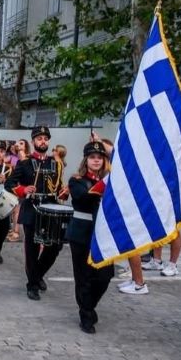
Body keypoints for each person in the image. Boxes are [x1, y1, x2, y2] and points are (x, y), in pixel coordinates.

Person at [5, 126, 69, 301]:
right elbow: (9, 184)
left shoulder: (54, 163)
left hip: (51, 208)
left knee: (55, 246)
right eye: (39, 138)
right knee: (32, 249)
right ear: (33, 141)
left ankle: (38, 274)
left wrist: (64, 192)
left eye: (45, 139)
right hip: (32, 209)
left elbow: (58, 186)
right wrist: (24, 189)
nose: (43, 141)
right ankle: (32, 284)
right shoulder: (24, 163)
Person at [66, 140, 113, 333]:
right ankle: (85, 314)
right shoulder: (76, 180)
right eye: (92, 157)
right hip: (82, 233)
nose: (96, 161)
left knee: (105, 276)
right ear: (86, 160)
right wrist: (105, 183)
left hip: (103, 234)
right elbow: (83, 197)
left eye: (99, 158)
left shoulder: (111, 181)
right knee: (84, 276)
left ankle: (89, 305)